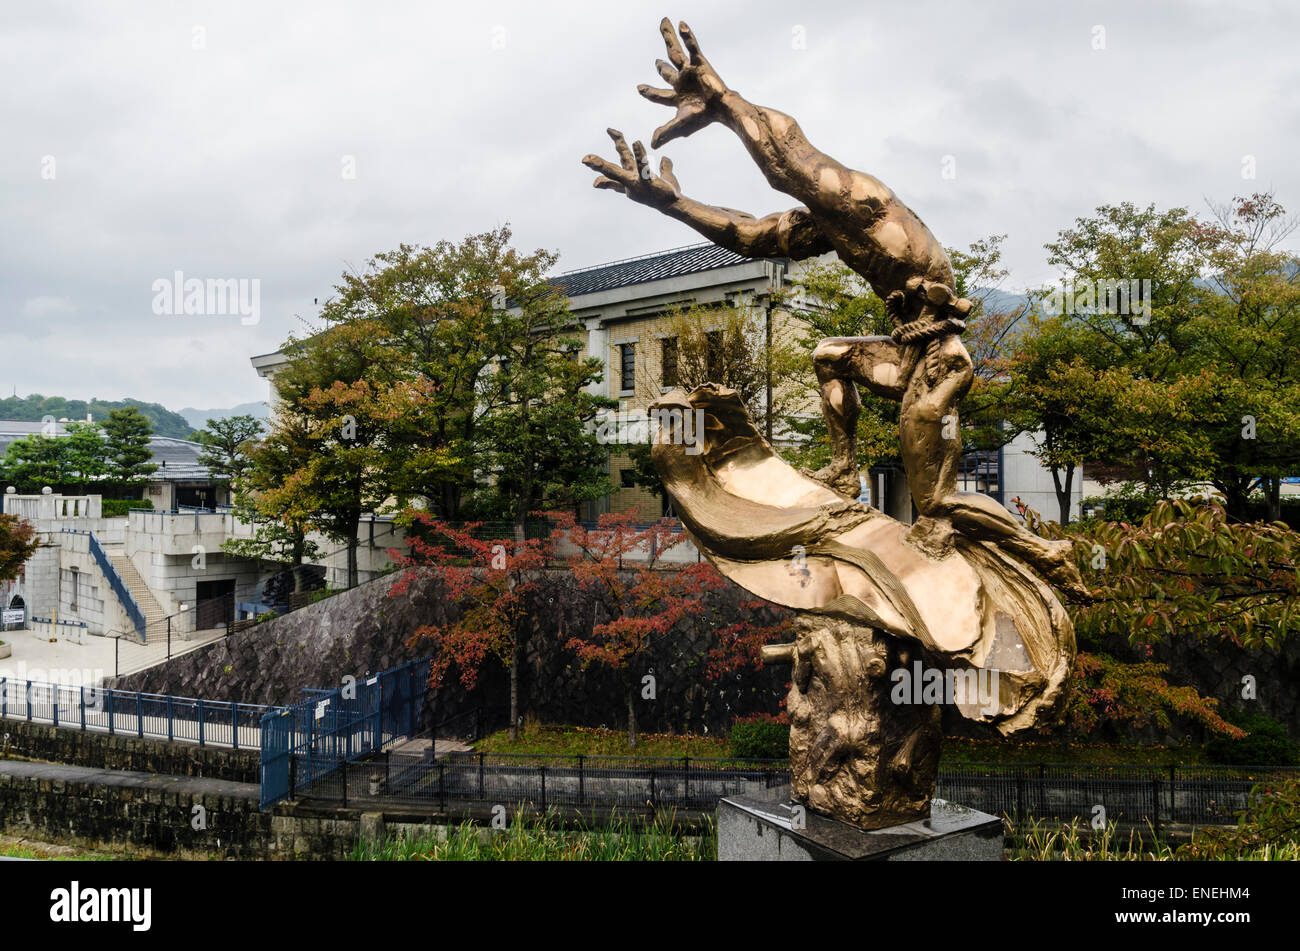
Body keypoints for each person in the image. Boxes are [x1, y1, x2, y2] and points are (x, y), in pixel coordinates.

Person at [583, 19, 1086, 597]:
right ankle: (845, 469)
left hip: (941, 362)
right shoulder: (830, 228)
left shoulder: (862, 200)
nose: (794, 192)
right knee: (830, 355)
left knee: (936, 504)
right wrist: (671, 204)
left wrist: (724, 101)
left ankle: (1048, 551)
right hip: (907, 353)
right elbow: (751, 236)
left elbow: (784, 156)